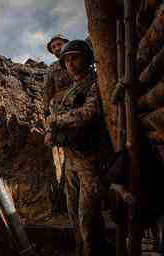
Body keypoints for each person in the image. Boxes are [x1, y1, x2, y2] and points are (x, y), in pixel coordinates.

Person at [45, 39, 110, 256]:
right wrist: (51, 133)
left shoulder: (97, 83)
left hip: (91, 160)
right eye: (66, 60)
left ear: (87, 58)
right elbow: (54, 115)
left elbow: (89, 113)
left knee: (88, 217)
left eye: (75, 58)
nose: (70, 64)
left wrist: (56, 122)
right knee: (73, 213)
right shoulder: (69, 91)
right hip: (71, 158)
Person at [44, 34, 71, 214]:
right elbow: (48, 96)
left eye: (59, 45)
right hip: (63, 115)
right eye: (53, 47)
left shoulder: (79, 60)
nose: (56, 49)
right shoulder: (52, 69)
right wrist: (50, 122)